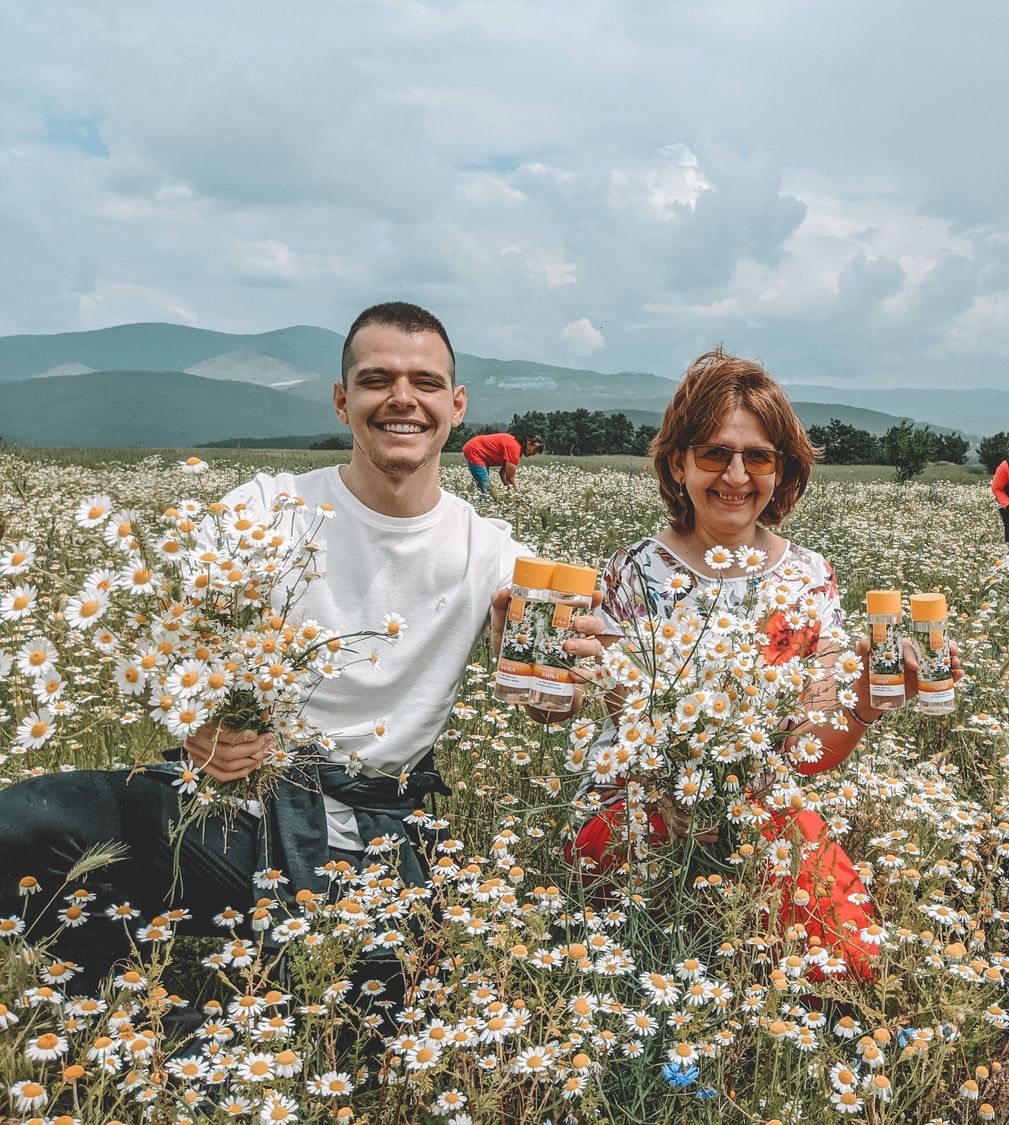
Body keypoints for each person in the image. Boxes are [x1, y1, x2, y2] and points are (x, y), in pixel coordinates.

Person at [0, 302, 593, 993]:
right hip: (230, 813)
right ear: (343, 401)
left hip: (365, 839)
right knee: (21, 825)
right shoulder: (266, 506)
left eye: (425, 383)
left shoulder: (490, 554)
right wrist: (195, 718)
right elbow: (175, 638)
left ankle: (245, 1000)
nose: (402, 398)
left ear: (456, 406)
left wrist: (561, 686)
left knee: (383, 1010)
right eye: (377, 380)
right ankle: (123, 1004)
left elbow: (561, 672)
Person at [564, 347, 962, 980]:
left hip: (761, 805)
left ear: (783, 471)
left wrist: (862, 701)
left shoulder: (809, 578)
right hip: (643, 798)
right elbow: (634, 725)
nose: (736, 475)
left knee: (853, 964)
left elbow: (809, 744)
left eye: (759, 457)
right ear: (678, 463)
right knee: (620, 954)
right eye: (715, 453)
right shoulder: (635, 569)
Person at [463, 430, 544, 500]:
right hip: (475, 451)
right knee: (487, 490)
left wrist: (509, 493)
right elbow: (510, 479)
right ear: (528, 443)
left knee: (486, 490)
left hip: (476, 449)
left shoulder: (516, 448)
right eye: (534, 451)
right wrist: (517, 498)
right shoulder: (514, 449)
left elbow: (503, 473)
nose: (533, 454)